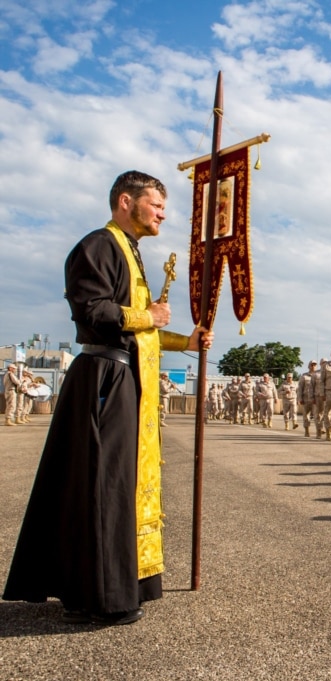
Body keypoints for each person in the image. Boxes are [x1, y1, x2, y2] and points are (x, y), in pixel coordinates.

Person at [3, 170, 213, 625]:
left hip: (124, 376)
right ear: (125, 201)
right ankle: (96, 595)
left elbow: (144, 331)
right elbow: (91, 309)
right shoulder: (98, 245)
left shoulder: (131, 251)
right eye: (156, 204)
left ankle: (119, 586)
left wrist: (186, 342)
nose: (162, 213)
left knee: (119, 485)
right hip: (103, 377)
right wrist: (149, 314)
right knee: (103, 484)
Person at [299, 361, 318, 437]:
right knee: (306, 416)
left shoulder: (318, 375)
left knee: (317, 415)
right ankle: (307, 430)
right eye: (312, 365)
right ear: (309, 366)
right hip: (306, 399)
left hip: (315, 399)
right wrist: (300, 398)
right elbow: (300, 388)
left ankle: (318, 431)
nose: (313, 366)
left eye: (314, 365)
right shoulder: (304, 376)